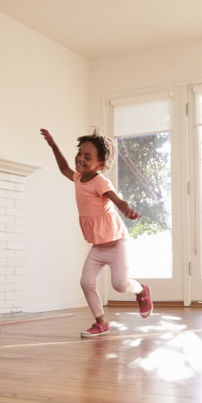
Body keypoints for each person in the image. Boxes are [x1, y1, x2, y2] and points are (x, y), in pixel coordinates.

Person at [40, 127, 153, 337]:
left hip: (117, 243)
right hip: (98, 246)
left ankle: (141, 290)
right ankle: (101, 322)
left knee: (120, 285)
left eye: (87, 156)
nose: (80, 158)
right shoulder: (77, 178)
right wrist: (53, 145)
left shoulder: (100, 181)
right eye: (80, 153)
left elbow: (115, 198)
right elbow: (64, 168)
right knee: (86, 282)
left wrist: (125, 208)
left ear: (100, 164)